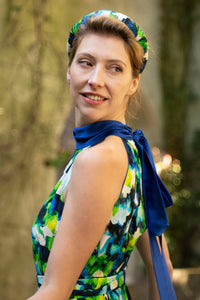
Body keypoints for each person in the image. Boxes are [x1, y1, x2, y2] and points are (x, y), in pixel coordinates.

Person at [27, 10, 176, 300]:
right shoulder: (131, 151)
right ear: (69, 69)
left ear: (134, 82)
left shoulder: (98, 159)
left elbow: (54, 292)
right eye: (86, 62)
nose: (96, 79)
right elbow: (163, 269)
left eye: (115, 68)